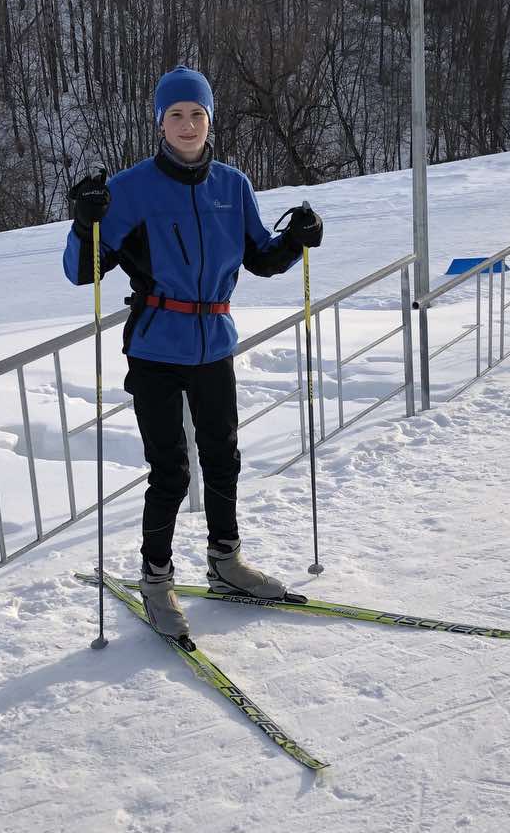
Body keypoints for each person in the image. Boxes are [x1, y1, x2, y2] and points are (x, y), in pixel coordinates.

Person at [63, 65, 323, 639]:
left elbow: (260, 256)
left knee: (224, 457)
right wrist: (85, 225)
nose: (187, 125)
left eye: (197, 114)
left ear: (211, 121)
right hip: (157, 346)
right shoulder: (130, 189)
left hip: (214, 344)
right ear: (160, 123)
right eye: (176, 115)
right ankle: (157, 579)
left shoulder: (233, 185)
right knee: (172, 469)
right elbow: (83, 273)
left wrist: (297, 240)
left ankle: (225, 562)